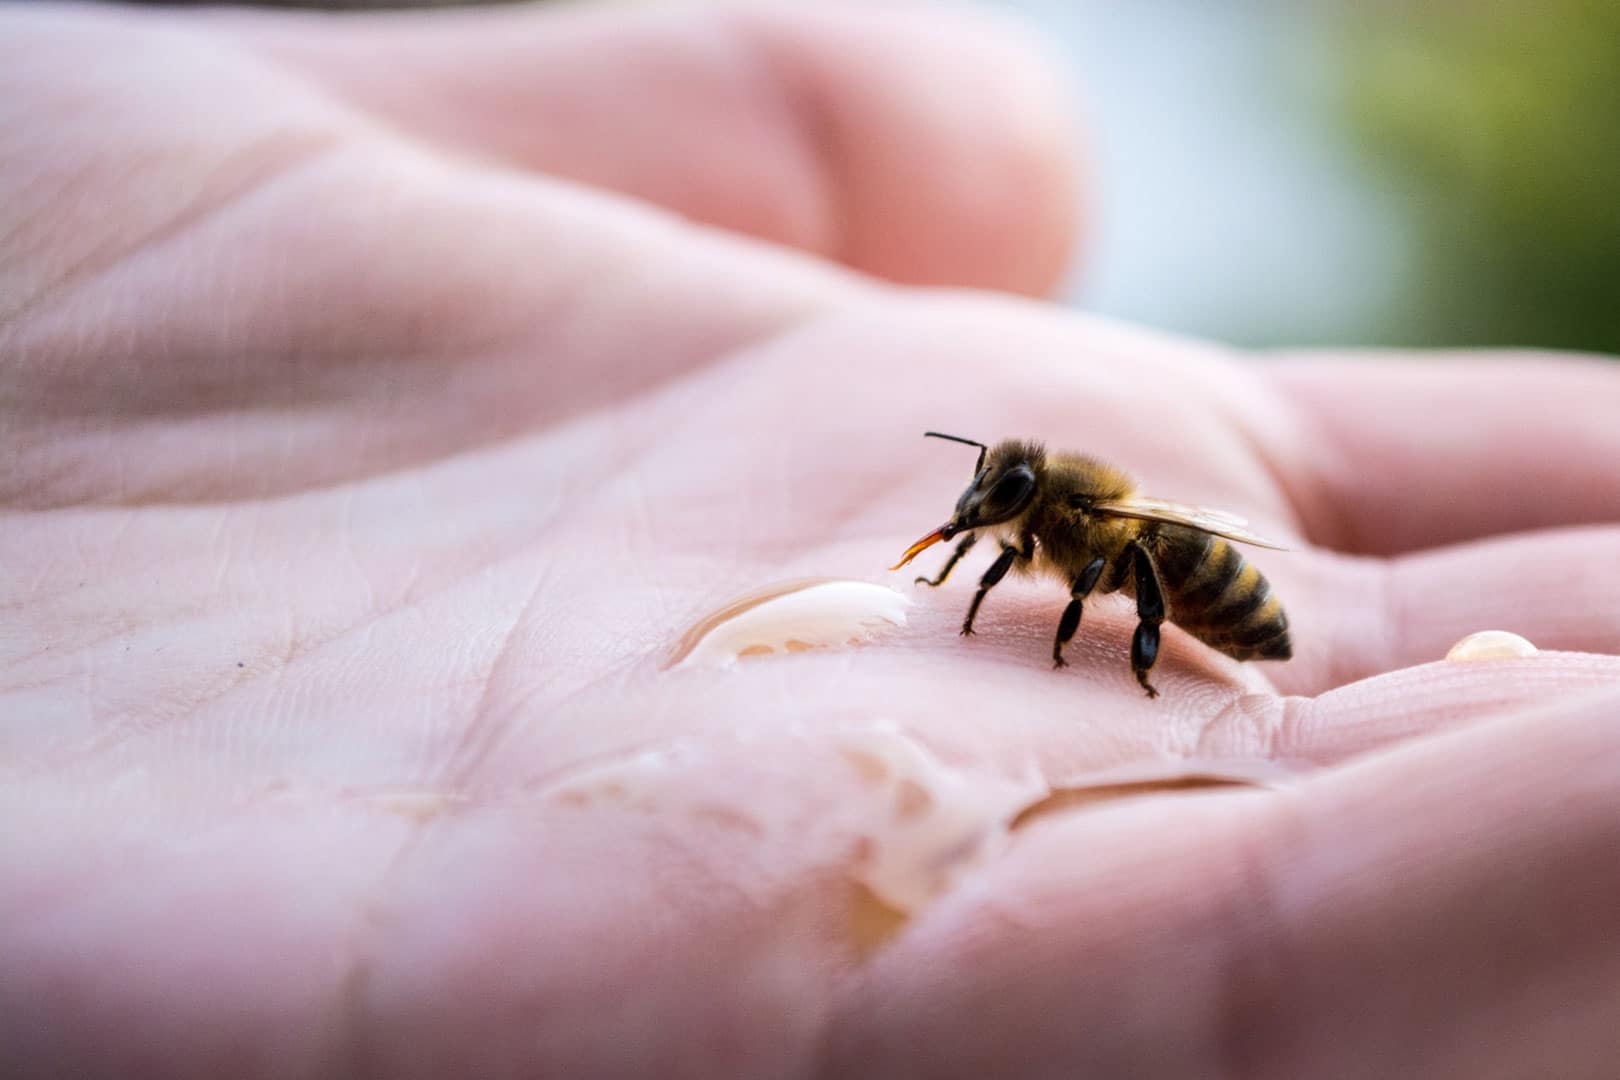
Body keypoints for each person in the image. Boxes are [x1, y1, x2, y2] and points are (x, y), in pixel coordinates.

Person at [3, 2, 1618, 1076]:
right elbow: (984, 533)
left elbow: (1100, 560)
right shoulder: (1020, 508)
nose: (982, 526)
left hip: (1203, 595)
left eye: (993, 513)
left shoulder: (1094, 533)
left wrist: (1104, 650)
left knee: (1160, 598)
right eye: (984, 515)